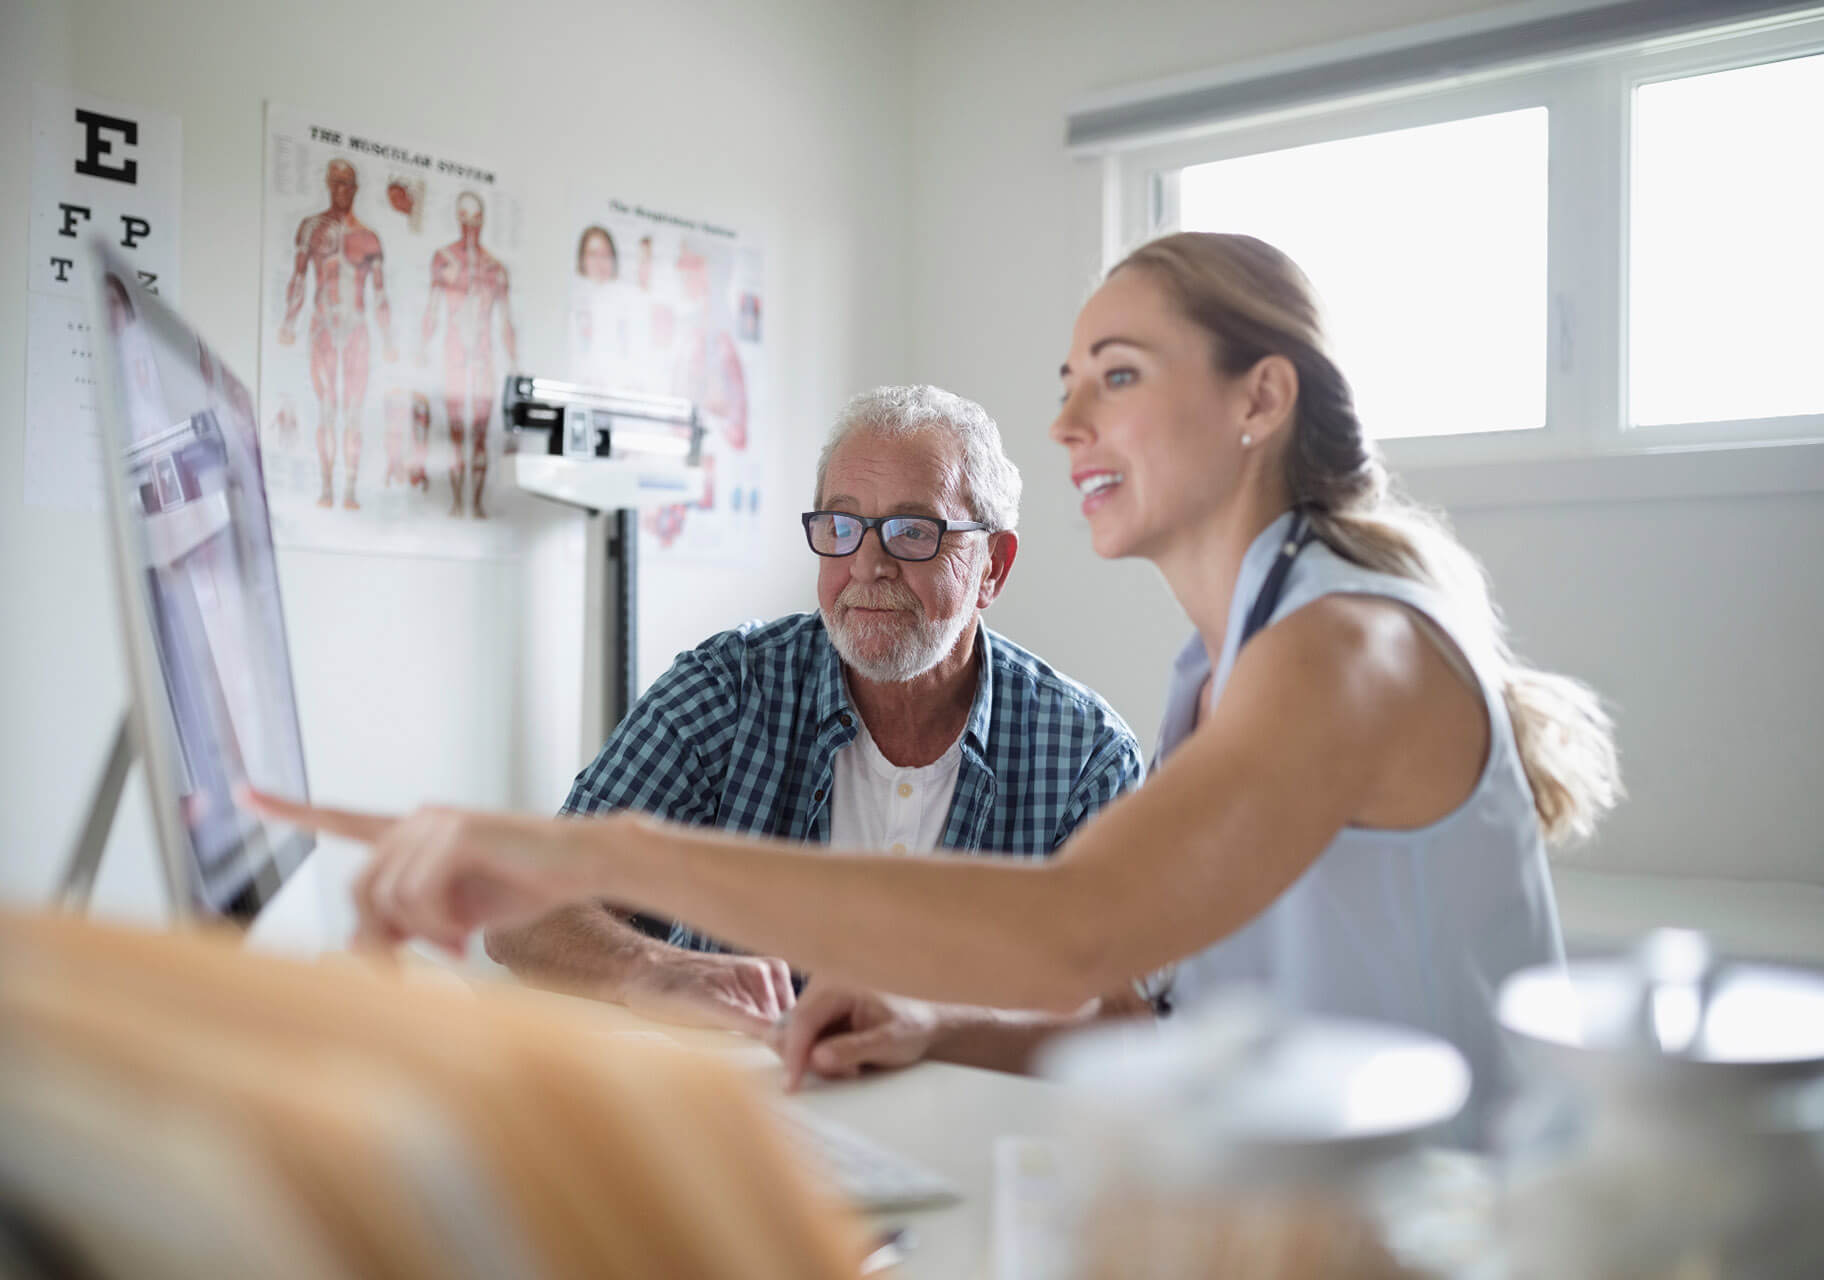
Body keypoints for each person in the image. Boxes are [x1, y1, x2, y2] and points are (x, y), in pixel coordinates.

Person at [255, 233, 1621, 1123]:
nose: (1070, 417)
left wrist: (611, 851)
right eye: (1071, 378)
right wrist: (926, 1023)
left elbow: (1076, 931)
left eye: (1119, 375)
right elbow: (1150, 1018)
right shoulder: (1228, 668)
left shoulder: (1342, 648)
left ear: (1258, 401)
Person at [479, 385, 1145, 1068]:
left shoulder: (1084, 756)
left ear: (992, 567)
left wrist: (938, 1024)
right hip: (752, 1130)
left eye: (914, 532)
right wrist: (650, 968)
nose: (867, 565)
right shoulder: (727, 691)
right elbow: (519, 908)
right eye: (841, 526)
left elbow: (1124, 1018)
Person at [277, 158, 397, 511]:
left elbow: (380, 294)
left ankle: (350, 489)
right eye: (337, 183)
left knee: (355, 411)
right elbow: (298, 278)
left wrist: (389, 339)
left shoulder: (369, 238)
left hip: (357, 327)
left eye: (348, 184)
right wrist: (289, 323)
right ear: (329, 184)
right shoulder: (312, 227)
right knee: (327, 407)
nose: (342, 190)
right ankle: (328, 487)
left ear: (356, 188)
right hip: (324, 326)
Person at [419, 192, 517, 518]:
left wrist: (516, 368)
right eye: (465, 218)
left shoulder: (496, 269)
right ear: (458, 218)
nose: (470, 226)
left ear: (483, 220)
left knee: (480, 435)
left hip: (484, 357)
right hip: (455, 355)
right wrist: (419, 354)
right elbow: (432, 312)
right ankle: (458, 502)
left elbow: (505, 323)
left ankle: (474, 503)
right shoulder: (444, 259)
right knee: (456, 434)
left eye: (476, 219)